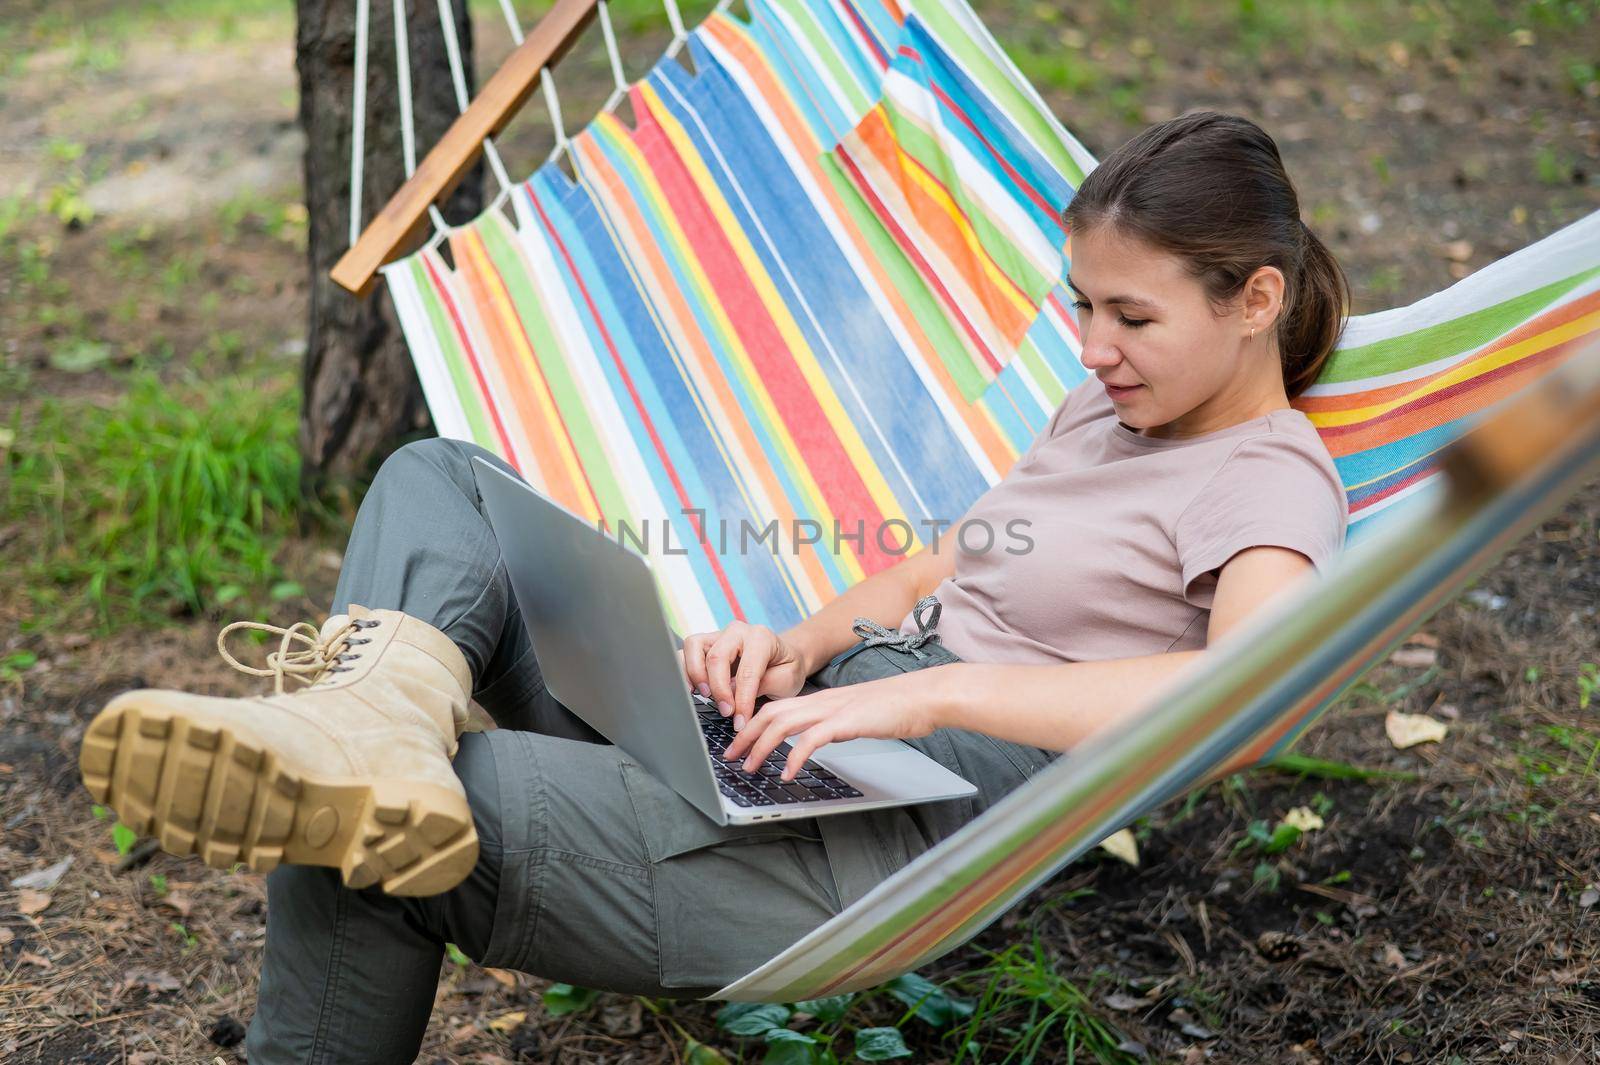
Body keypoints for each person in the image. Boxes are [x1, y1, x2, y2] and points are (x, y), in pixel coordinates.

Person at [76, 110, 1350, 1062]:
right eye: (1080, 306)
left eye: (1129, 316)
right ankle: (375, 711)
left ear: (1255, 300)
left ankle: (372, 746)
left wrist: (930, 696)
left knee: (368, 821)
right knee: (441, 478)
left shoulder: (1265, 481)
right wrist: (795, 647)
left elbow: (1245, 698)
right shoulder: (1112, 410)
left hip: (887, 847)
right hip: (805, 748)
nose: (1090, 347)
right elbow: (962, 557)